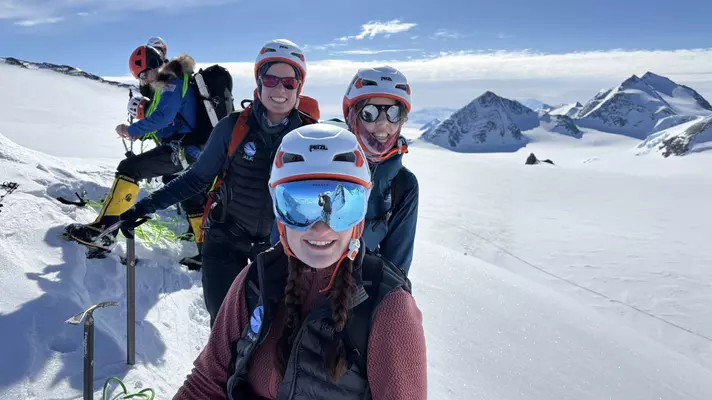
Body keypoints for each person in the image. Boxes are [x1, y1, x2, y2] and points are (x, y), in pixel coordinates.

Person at [173, 123, 427, 400]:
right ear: (277, 211)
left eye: (340, 206)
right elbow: (206, 383)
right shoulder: (256, 279)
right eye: (299, 205)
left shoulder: (388, 305)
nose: (320, 228)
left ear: (361, 214)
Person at [119, 39, 317, 325]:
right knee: (225, 328)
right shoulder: (232, 127)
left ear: (299, 86)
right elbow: (197, 178)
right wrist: (146, 206)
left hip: (280, 248)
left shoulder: (308, 137)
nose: (279, 89)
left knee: (278, 333)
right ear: (259, 80)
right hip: (226, 240)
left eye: (289, 82)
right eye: (271, 78)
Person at [63, 45, 201, 248]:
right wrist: (142, 131)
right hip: (191, 150)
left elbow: (163, 117)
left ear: (155, 65)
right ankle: (203, 248)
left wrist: (132, 130)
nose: (143, 80)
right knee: (193, 193)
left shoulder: (172, 80)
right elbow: (171, 122)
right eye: (139, 77)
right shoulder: (178, 79)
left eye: (143, 74)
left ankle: (103, 231)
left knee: (129, 168)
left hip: (182, 149)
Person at [341, 66, 419, 274]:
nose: (383, 123)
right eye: (370, 113)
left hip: (364, 292)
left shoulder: (402, 184)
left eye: (394, 113)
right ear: (352, 116)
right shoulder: (321, 163)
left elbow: (396, 268)